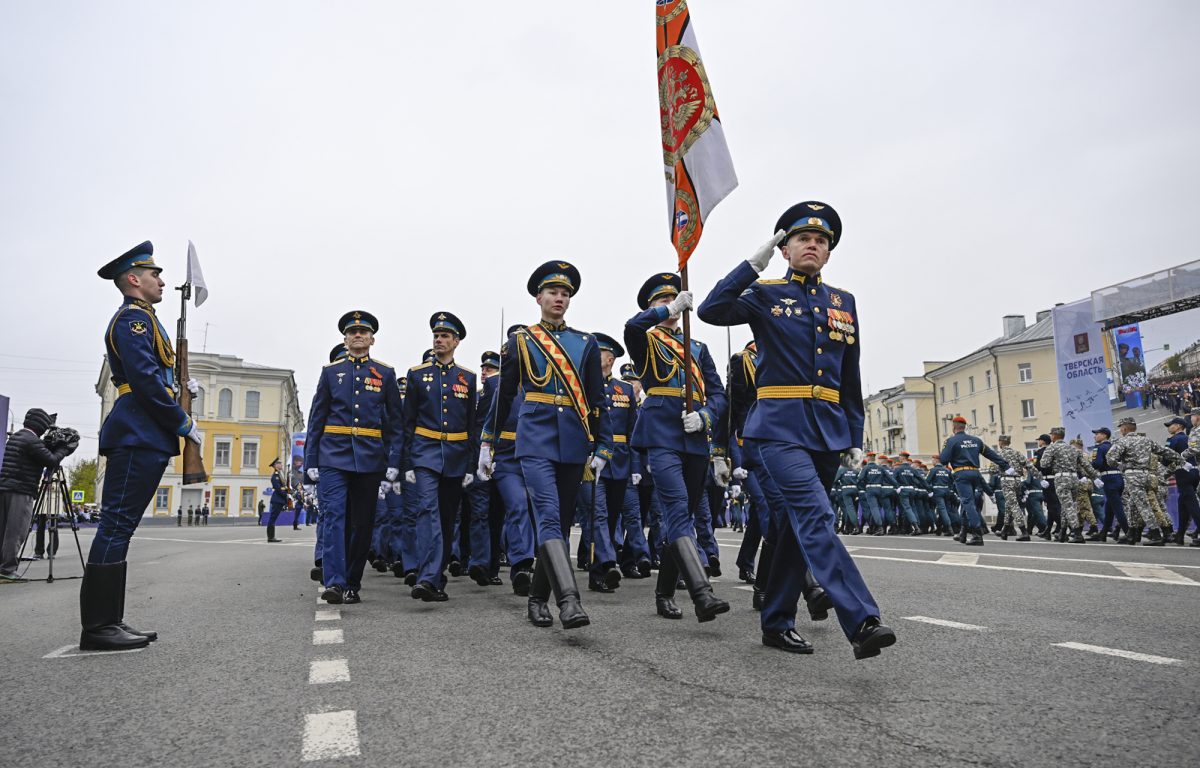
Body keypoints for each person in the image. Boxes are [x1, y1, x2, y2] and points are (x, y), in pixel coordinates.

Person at [699, 201, 894, 658]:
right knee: (816, 516)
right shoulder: (766, 294)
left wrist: (854, 436)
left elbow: (851, 375)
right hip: (778, 428)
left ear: (828, 253)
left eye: (821, 240)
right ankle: (862, 619)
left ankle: (776, 622)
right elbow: (712, 309)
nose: (812, 245)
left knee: (790, 526)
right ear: (785, 249)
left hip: (827, 431)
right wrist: (751, 266)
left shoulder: (843, 302)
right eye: (802, 239)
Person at [84, 241, 202, 650]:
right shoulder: (132, 321)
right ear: (134, 279)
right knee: (116, 526)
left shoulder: (145, 319)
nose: (162, 281)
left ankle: (109, 621)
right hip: (138, 431)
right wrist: (182, 421)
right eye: (155, 275)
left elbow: (159, 377)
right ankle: (99, 627)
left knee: (121, 528)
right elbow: (148, 382)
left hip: (144, 432)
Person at [481, 261, 611, 629]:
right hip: (534, 439)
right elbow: (504, 397)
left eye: (565, 293)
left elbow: (596, 400)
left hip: (572, 441)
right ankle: (569, 600)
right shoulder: (522, 341)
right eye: (553, 292)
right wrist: (487, 443)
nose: (559, 298)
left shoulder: (585, 343)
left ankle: (537, 599)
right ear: (538, 297)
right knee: (549, 517)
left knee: (562, 522)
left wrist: (603, 447)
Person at [627, 272, 730, 625]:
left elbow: (718, 395)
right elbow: (630, 327)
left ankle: (664, 592)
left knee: (682, 514)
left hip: (695, 437)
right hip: (661, 434)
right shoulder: (647, 341)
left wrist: (705, 416)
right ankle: (701, 591)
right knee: (675, 507)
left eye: (674, 299)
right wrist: (665, 310)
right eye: (661, 302)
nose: (670, 308)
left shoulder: (698, 348)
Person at [304, 310, 403, 604]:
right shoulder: (331, 372)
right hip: (333, 456)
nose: (357, 336)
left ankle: (352, 581)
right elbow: (316, 420)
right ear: (345, 339)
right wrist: (310, 462)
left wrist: (393, 464)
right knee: (334, 516)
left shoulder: (384, 374)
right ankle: (334, 582)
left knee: (362, 523)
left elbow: (395, 425)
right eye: (352, 332)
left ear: (372, 339)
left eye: (362, 332)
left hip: (371, 459)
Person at [402, 312, 477, 602]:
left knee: (447, 519)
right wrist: (407, 463)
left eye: (445, 336)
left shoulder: (467, 378)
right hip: (424, 453)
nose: (439, 340)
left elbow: (471, 425)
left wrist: (470, 464)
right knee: (427, 511)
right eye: (436, 335)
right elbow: (408, 421)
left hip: (456, 455)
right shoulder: (418, 374)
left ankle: (436, 576)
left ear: (456, 342)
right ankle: (427, 577)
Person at [0, 409, 78, 581]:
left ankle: (2, 567)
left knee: (3, 529)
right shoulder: (31, 440)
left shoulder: (17, 436)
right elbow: (50, 460)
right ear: (40, 425)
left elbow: (38, 454)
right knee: (16, 530)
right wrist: (64, 448)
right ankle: (7, 570)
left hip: (6, 488)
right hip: (21, 490)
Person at [1108, 416, 1181, 546]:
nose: (1120, 431)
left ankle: (1155, 534)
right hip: (1147, 475)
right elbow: (1164, 451)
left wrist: (1121, 466)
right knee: (1132, 505)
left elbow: (1110, 458)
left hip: (1133, 476)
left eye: (1120, 428)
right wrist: (1180, 458)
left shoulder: (1123, 441)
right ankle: (1131, 534)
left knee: (1143, 505)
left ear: (1124, 428)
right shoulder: (1146, 440)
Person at [941, 416, 1011, 545]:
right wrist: (1006, 466)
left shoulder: (951, 441)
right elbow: (991, 454)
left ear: (954, 427)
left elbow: (944, 460)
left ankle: (977, 534)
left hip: (961, 473)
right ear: (964, 427)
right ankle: (963, 532)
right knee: (967, 502)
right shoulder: (976, 440)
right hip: (975, 473)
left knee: (968, 503)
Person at [1039, 427, 1101, 543]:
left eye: (1051, 435)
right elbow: (1085, 465)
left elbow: (1044, 464)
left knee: (1068, 507)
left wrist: (1054, 461)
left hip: (1062, 478)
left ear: (1054, 436)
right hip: (1074, 479)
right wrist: (1095, 477)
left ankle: (1077, 534)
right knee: (1066, 506)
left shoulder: (1052, 447)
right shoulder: (1073, 449)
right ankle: (1062, 532)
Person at [1164, 416, 1199, 545]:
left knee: (1192, 505)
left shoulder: (1173, 440)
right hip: (1194, 471)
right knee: (1183, 505)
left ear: (1178, 426)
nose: (1169, 427)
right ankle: (1179, 535)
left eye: (1171, 425)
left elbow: (1166, 459)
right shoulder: (1188, 438)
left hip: (1183, 473)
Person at [265, 458, 287, 542]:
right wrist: (286, 494)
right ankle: (270, 537)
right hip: (277, 499)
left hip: (279, 499)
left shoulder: (279, 475)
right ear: (275, 465)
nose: (281, 465)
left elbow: (283, 487)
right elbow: (278, 488)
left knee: (273, 518)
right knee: (272, 518)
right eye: (280, 463)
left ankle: (271, 537)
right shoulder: (275, 476)